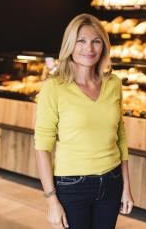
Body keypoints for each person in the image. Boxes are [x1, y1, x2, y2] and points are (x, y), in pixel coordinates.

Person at [34, 14, 133, 229]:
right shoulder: (54, 87)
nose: (89, 48)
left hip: (112, 181)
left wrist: (126, 186)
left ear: (104, 46)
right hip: (72, 185)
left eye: (96, 41)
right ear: (70, 44)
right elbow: (42, 146)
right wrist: (51, 200)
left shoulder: (113, 83)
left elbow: (120, 136)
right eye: (81, 41)